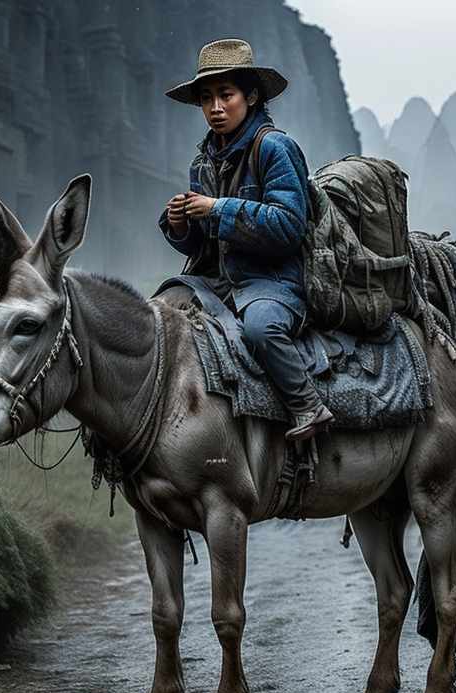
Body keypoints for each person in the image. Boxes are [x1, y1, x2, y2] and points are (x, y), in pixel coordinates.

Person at [159, 38, 334, 441]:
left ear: (251, 96)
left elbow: (290, 226)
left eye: (226, 95)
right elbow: (203, 246)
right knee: (160, 312)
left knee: (261, 329)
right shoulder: (203, 161)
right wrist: (181, 225)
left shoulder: (275, 148)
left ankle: (308, 405)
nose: (216, 108)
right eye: (207, 99)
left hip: (273, 281)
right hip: (219, 280)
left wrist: (218, 208)